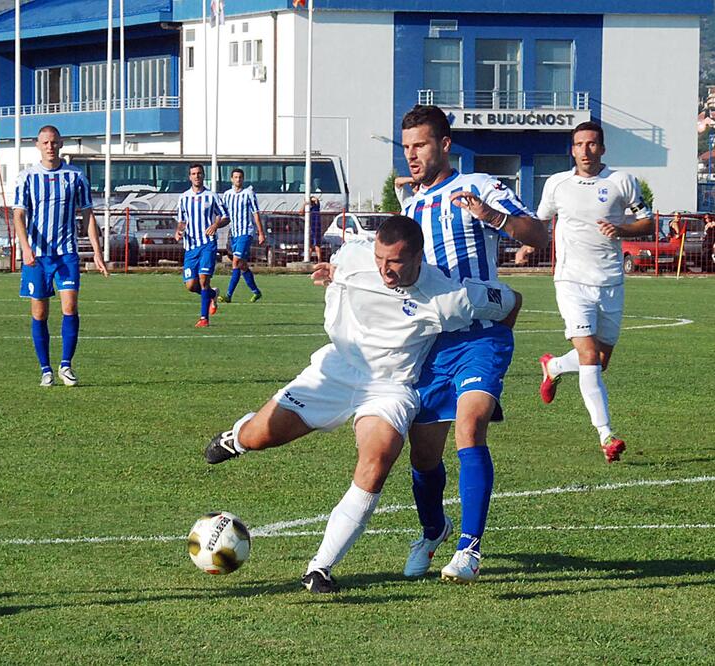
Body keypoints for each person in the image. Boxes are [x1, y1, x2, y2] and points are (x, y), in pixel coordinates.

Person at [203, 216, 520, 593]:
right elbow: (342, 264)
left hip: (390, 387)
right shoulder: (355, 257)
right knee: (259, 436)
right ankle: (237, 437)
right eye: (380, 259)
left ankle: (319, 568)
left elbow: (510, 303)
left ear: (419, 257)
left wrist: (490, 357)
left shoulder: (448, 298)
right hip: (336, 370)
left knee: (379, 457)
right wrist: (331, 271)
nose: (385, 270)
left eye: (396, 262)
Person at [398, 105, 549, 583]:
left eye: (420, 145)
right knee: (422, 453)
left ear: (445, 145)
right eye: (406, 147)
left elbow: (539, 234)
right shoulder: (409, 207)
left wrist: (494, 217)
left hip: (482, 334)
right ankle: (434, 528)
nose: (412, 155)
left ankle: (469, 548)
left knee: (471, 424)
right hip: (430, 342)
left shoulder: (478, 187)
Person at [536, 121, 654, 463]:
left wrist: (623, 228)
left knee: (601, 362)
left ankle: (555, 366)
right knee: (589, 357)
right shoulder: (557, 184)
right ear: (571, 149)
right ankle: (607, 435)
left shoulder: (622, 181)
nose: (585, 150)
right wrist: (528, 246)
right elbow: (541, 219)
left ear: (602, 148)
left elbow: (648, 223)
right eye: (579, 144)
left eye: (591, 144)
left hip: (611, 282)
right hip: (571, 281)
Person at [13, 125, 108, 387]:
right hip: (38, 257)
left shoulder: (75, 176)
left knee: (70, 307)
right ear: (38, 145)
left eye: (54, 142)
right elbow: (18, 215)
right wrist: (25, 247)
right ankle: (45, 369)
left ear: (61, 143)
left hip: (66, 253)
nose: (50, 146)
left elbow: (88, 214)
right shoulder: (27, 177)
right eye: (45, 142)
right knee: (39, 313)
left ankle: (66, 365)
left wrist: (97, 253)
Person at [175, 163, 228, 328]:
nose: (196, 176)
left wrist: (215, 225)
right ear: (189, 177)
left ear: (203, 175)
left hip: (207, 244)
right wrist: (178, 231)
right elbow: (181, 221)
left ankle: (204, 318)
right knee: (191, 285)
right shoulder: (183, 197)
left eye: (199, 173)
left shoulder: (212, 196)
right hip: (191, 246)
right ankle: (212, 294)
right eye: (193, 173)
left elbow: (225, 216)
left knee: (204, 279)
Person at [219, 168, 265, 303]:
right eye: (235, 177)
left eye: (240, 177)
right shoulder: (227, 195)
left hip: (246, 232)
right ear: (231, 179)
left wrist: (261, 233)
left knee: (236, 261)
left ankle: (228, 295)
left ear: (243, 179)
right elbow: (224, 215)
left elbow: (256, 213)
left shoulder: (249, 193)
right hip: (234, 233)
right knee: (242, 265)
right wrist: (214, 226)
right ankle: (256, 292)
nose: (238, 179)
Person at [301, 196, 323, 262]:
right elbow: (301, 212)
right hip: (310, 229)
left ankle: (319, 260)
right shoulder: (308, 209)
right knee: (309, 245)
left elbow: (317, 200)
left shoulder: (316, 207)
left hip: (316, 228)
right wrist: (304, 204)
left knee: (316, 245)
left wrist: (311, 198)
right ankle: (307, 259)